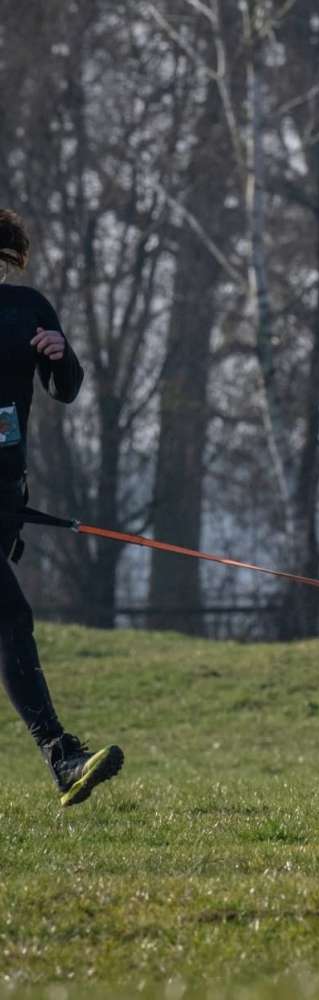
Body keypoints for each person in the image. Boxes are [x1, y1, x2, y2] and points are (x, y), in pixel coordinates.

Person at [0, 208, 123, 806]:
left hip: (6, 499)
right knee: (11, 618)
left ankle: (62, 758)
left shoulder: (28, 308)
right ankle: (62, 755)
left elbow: (67, 388)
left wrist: (58, 353)